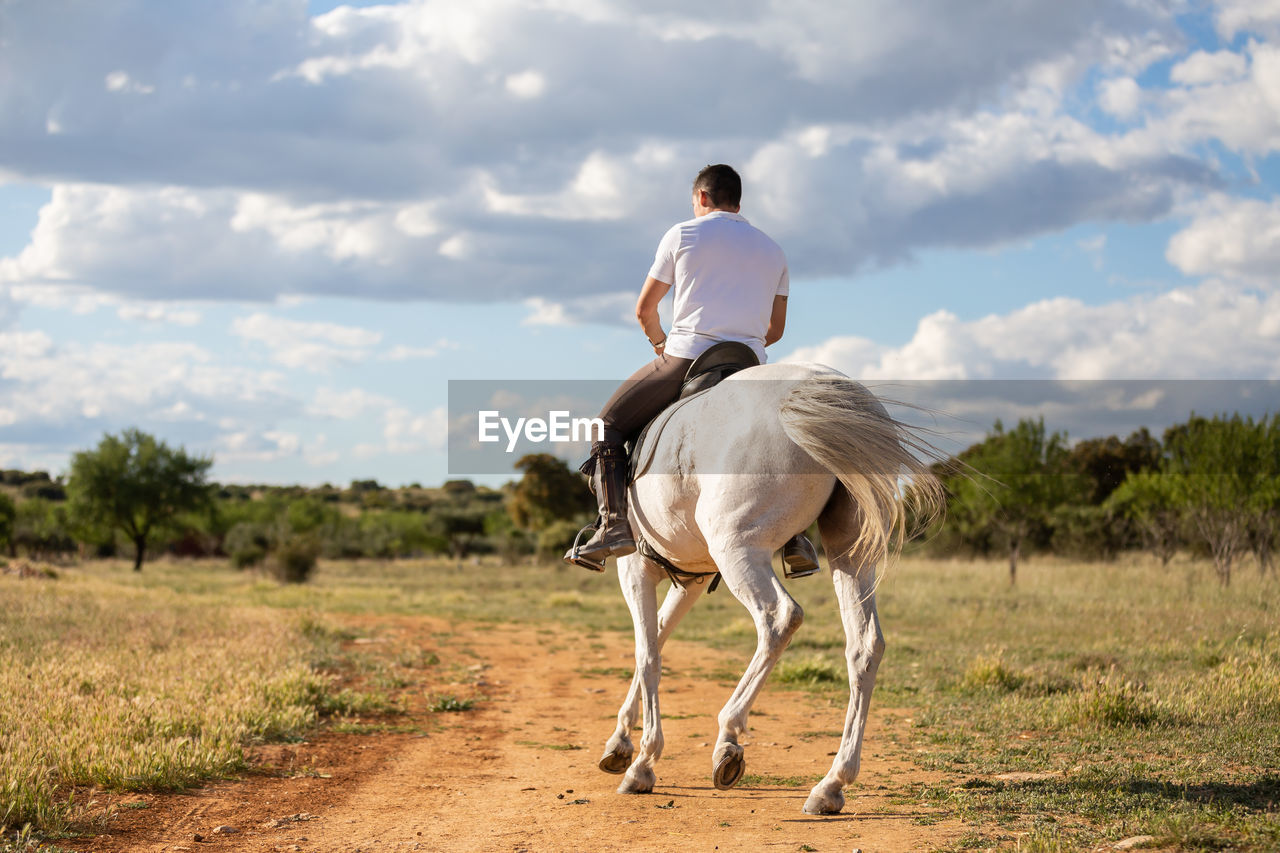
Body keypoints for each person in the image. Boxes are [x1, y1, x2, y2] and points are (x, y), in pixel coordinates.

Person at [565, 164, 820, 574]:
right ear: (738, 200)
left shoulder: (683, 234)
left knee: (605, 427)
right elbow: (776, 329)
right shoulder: (773, 249)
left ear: (702, 197)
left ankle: (613, 525)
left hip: (687, 357)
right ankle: (795, 538)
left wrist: (660, 343)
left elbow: (644, 310)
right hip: (749, 363)